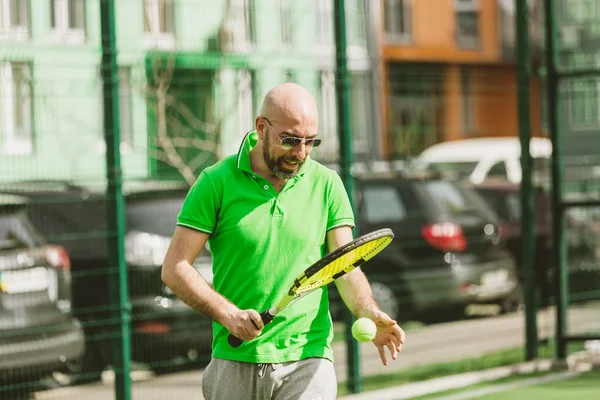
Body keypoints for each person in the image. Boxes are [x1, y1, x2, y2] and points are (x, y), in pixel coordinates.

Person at [161, 83, 405, 400]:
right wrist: (229, 315)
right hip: (235, 358)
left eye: (310, 141)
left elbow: (344, 266)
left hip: (308, 357)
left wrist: (369, 311)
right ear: (261, 127)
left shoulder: (327, 184)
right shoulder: (215, 183)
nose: (300, 153)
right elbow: (175, 268)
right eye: (289, 140)